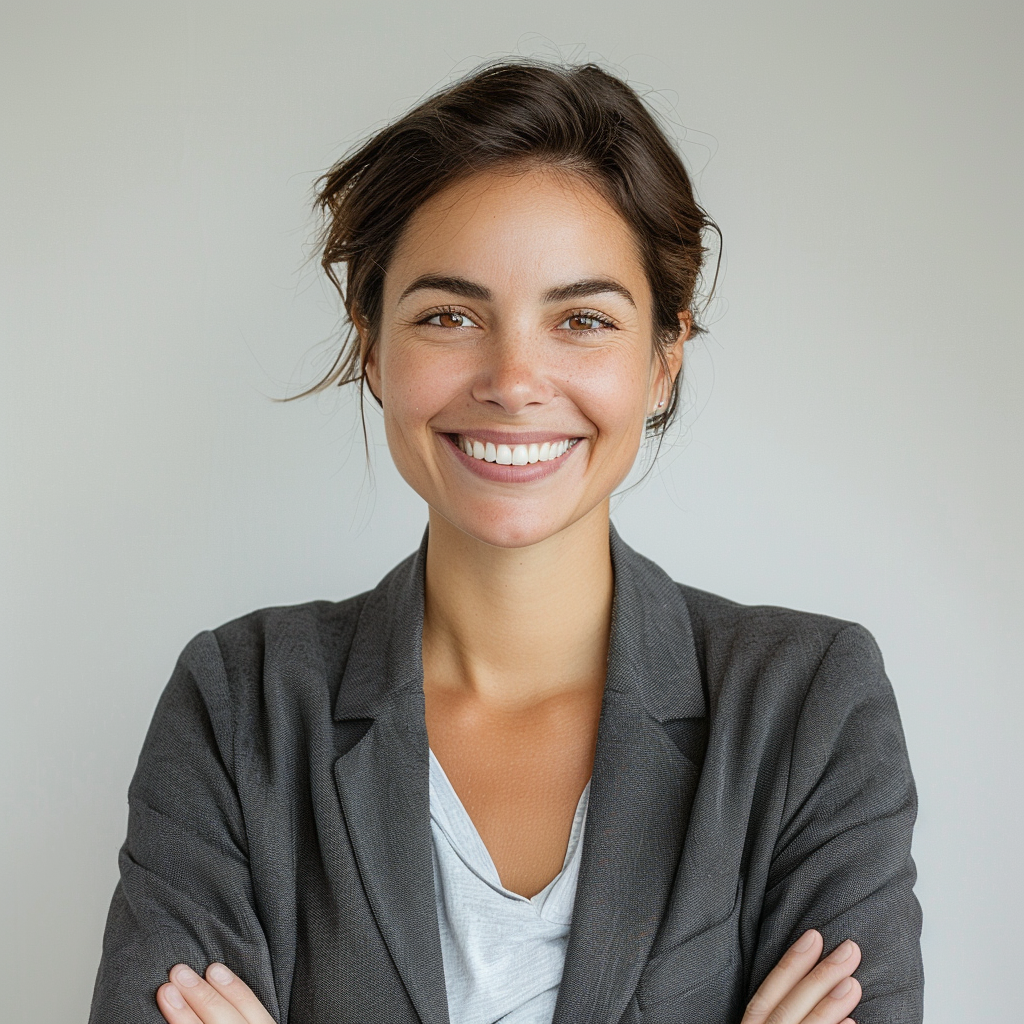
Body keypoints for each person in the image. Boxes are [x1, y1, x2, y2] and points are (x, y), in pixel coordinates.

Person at [88, 60, 924, 1024]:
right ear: (372, 346)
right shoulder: (239, 705)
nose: (514, 379)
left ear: (664, 360)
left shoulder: (810, 703)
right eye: (449, 315)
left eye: (583, 320)